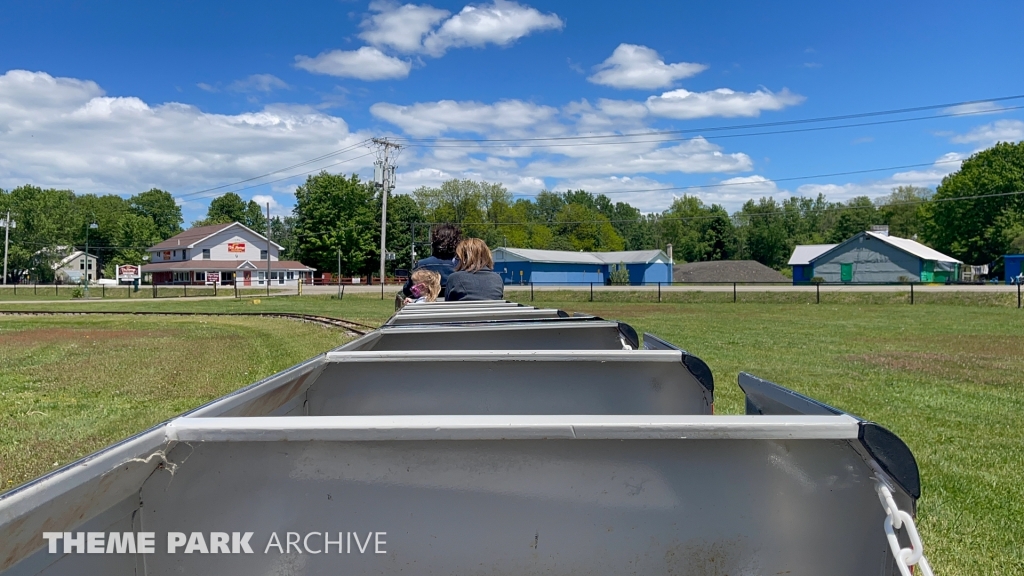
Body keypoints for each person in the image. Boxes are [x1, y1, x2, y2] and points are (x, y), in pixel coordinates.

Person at [402, 224, 461, 299]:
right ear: (457, 243)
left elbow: (407, 290)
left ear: (434, 242)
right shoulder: (463, 266)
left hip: (427, 309)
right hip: (456, 309)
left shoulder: (421, 265)